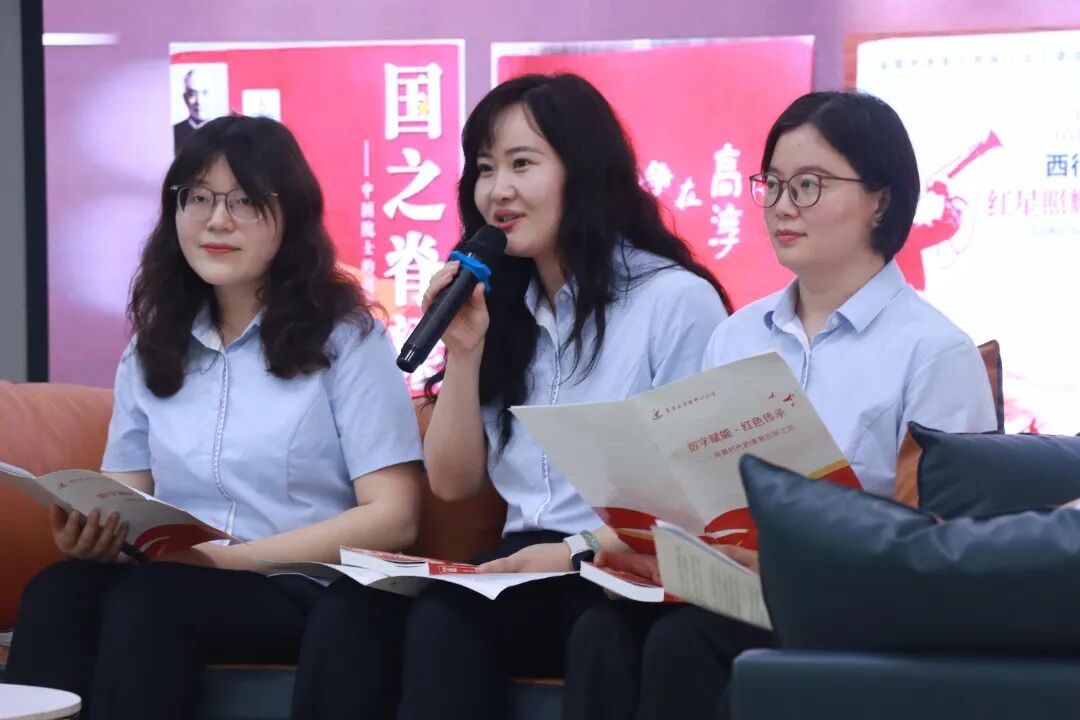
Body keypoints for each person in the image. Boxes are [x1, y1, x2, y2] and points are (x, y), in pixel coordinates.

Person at [291, 73, 732, 720]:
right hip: (526, 563)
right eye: (484, 168)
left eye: (522, 164)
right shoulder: (504, 303)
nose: (498, 189)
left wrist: (575, 550)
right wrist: (466, 349)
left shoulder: (675, 301)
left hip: (623, 563)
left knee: (561, 626)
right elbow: (453, 482)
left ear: (585, 172)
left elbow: (701, 493)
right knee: (376, 612)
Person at [564, 90, 1000, 720]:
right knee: (598, 629)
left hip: (855, 611)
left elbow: (947, 543)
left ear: (881, 200)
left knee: (683, 644)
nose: (781, 206)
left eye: (809, 185)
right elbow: (697, 491)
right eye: (771, 184)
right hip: (730, 590)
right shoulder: (737, 335)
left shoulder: (934, 353)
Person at [5, 115, 425, 720]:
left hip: (299, 586)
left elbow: (394, 516)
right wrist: (94, 533)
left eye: (244, 201)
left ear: (291, 215)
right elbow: (126, 493)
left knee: (152, 600)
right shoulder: (153, 347)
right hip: (177, 578)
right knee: (56, 593)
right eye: (197, 198)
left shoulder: (347, 339)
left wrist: (227, 560)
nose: (217, 220)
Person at [174, 68, 213, 153]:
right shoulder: (173, 133)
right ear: (185, 98)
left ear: (212, 96)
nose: (199, 101)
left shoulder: (223, 133)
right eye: (192, 94)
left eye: (205, 93)